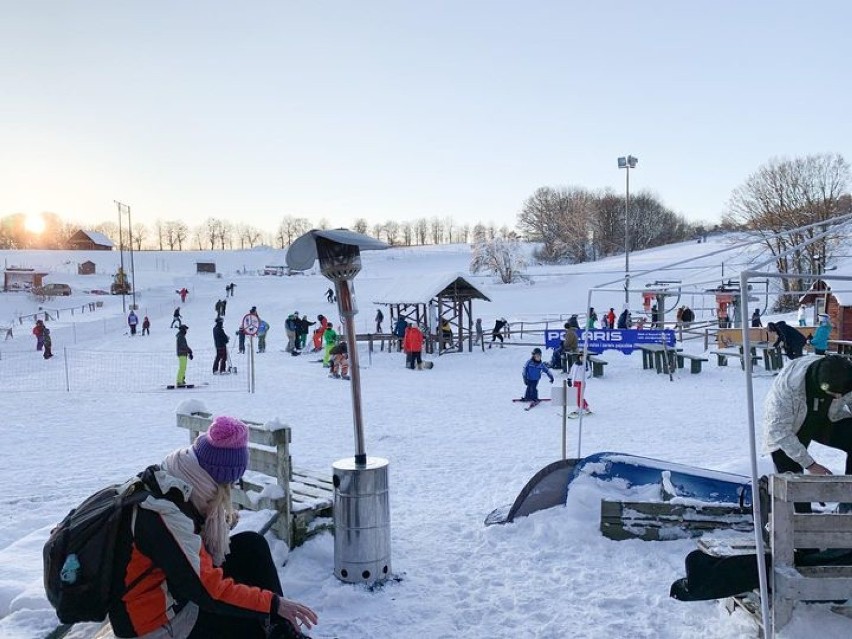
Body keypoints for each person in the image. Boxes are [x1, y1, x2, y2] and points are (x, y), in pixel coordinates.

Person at [106, 415, 318, 638]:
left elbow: (188, 558)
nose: (230, 489)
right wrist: (274, 604)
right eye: (229, 484)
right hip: (154, 623)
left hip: (170, 592)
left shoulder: (179, 476)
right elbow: (208, 590)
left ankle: (280, 630)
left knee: (250, 546)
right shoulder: (169, 514)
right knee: (248, 625)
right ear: (217, 479)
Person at [763, 355, 852, 512]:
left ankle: (848, 504)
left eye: (841, 394)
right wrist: (811, 465)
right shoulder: (787, 389)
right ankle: (798, 524)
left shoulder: (845, 375)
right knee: (794, 482)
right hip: (790, 428)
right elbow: (779, 431)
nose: (839, 397)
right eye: (835, 393)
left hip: (825, 419)